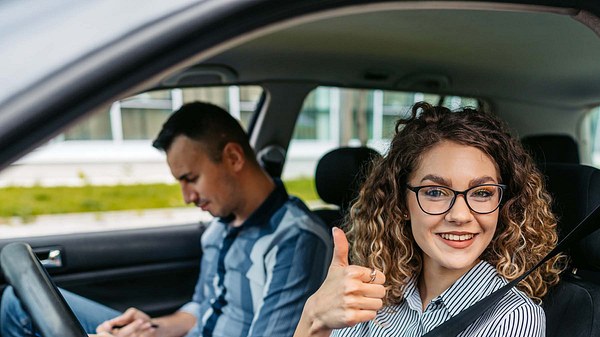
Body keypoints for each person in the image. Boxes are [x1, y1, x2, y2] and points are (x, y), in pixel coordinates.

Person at [1, 102, 332, 337]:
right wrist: (151, 329)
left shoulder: (295, 241)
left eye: (191, 178)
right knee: (19, 301)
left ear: (232, 157)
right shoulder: (220, 225)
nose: (187, 197)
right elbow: (201, 307)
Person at [294, 102, 564, 337]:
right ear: (401, 203)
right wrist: (313, 317)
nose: (460, 215)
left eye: (482, 193)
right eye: (435, 192)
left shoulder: (513, 317)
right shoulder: (375, 295)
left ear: (502, 205)